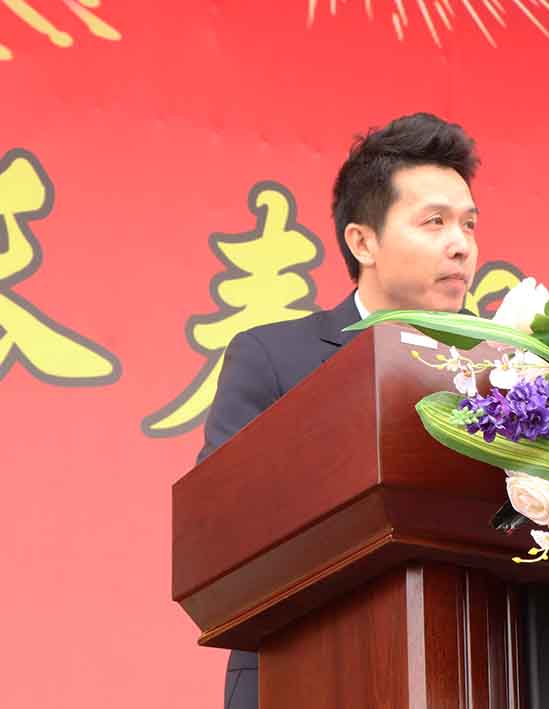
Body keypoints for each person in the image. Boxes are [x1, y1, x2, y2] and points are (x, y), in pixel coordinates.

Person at [196, 112, 482, 709]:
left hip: (472, 669)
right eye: (434, 222)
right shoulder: (274, 358)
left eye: (468, 224)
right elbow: (218, 533)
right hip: (304, 674)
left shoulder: (504, 372)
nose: (460, 244)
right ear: (363, 241)